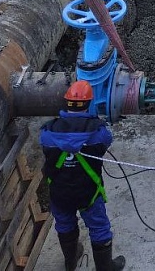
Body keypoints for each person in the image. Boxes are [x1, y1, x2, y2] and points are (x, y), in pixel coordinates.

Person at [40, 80, 126, 271]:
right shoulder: (98, 132)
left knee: (64, 224)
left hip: (60, 192)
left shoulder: (47, 132)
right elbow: (106, 142)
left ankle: (70, 262)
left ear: (67, 102)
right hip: (88, 193)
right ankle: (105, 267)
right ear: (89, 103)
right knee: (99, 227)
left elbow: (46, 147)